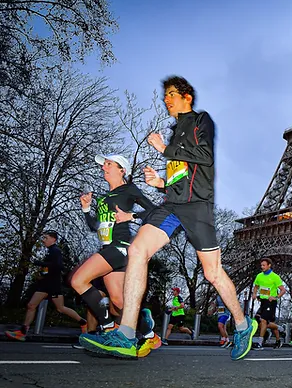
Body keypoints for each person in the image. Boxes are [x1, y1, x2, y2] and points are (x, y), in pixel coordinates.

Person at [79, 76, 257, 360]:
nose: (166, 99)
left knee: (212, 273)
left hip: (197, 206)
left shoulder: (201, 120)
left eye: (171, 94)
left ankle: (242, 323)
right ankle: (126, 334)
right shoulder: (175, 132)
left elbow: (205, 157)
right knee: (138, 249)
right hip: (173, 204)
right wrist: (160, 182)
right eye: (165, 95)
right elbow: (182, 176)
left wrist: (164, 149)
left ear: (187, 96)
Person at [71, 154, 160, 355]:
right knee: (119, 302)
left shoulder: (129, 190)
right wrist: (86, 209)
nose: (104, 167)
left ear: (122, 170)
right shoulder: (102, 198)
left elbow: (154, 211)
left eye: (109, 164)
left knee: (78, 280)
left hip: (120, 247)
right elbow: (95, 226)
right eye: (104, 165)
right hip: (107, 250)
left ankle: (109, 327)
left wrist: (132, 215)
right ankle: (148, 333)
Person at [6, 231, 87, 341]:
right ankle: (22, 332)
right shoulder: (50, 251)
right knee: (31, 305)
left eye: (46, 238)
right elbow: (48, 268)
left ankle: (83, 322)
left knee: (60, 308)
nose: (43, 240)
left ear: (53, 239)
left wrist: (40, 263)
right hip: (45, 284)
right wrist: (42, 273)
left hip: (53, 285)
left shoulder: (55, 251)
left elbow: (57, 266)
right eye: (43, 238)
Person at [252, 258, 286, 349]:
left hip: (271, 302)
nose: (262, 267)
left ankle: (260, 342)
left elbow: (283, 290)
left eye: (264, 265)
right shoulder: (259, 276)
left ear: (269, 265)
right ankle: (279, 330)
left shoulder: (275, 277)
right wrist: (254, 294)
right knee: (259, 320)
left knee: (263, 320)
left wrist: (276, 297)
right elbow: (256, 287)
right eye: (261, 265)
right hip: (262, 302)